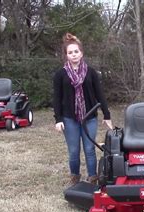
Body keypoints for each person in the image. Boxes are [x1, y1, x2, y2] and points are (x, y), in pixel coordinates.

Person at [53, 33, 113, 185]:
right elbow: (56, 98)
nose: (73, 55)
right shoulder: (60, 75)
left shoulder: (91, 72)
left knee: (89, 150)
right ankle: (75, 179)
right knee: (74, 151)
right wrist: (58, 119)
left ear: (81, 53)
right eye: (70, 52)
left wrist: (107, 115)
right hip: (69, 118)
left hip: (90, 117)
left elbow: (100, 94)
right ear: (66, 55)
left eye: (76, 51)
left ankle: (93, 179)